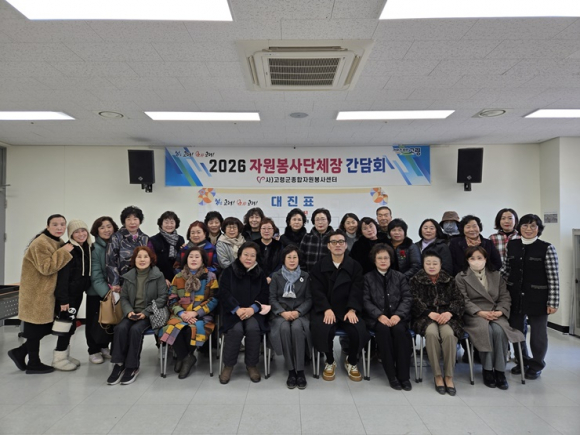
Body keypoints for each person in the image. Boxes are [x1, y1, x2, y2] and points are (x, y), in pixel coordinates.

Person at [8, 215, 74, 375]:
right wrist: (64, 252)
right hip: (36, 294)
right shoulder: (41, 243)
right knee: (35, 330)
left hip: (45, 294)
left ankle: (20, 353)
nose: (59, 227)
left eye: (62, 224)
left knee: (43, 328)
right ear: (47, 226)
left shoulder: (56, 241)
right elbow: (46, 268)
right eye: (55, 224)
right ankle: (33, 363)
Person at [456, 246, 524, 390]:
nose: (476, 261)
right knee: (487, 331)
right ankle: (487, 370)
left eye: (479, 258)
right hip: (474, 315)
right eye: (472, 258)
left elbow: (505, 296)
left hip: (495, 312)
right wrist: (479, 312)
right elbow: (463, 300)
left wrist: (500, 311)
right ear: (467, 260)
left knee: (499, 331)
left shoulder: (496, 275)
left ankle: (500, 371)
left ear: (486, 259)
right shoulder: (461, 277)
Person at [501, 214, 559, 380]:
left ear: (538, 229)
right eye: (525, 226)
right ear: (519, 228)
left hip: (538, 297)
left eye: (533, 226)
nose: (528, 229)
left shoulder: (547, 248)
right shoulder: (512, 245)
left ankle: (536, 365)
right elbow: (506, 270)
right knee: (517, 331)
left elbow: (553, 277)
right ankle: (522, 361)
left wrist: (553, 302)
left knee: (538, 335)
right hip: (514, 295)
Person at [310, 230, 370, 382]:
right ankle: (330, 361)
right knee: (324, 330)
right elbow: (316, 290)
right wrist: (326, 308)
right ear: (328, 246)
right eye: (334, 242)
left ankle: (352, 361)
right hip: (326, 308)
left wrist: (352, 309)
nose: (338, 245)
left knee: (357, 330)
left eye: (341, 242)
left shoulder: (355, 266)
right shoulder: (319, 266)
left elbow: (357, 289)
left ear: (345, 245)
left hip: (347, 309)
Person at [107, 246, 168, 385]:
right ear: (134, 260)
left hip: (149, 313)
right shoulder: (128, 276)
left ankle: (132, 366)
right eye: (139, 257)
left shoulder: (158, 275)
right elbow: (124, 298)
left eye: (145, 256)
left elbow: (162, 297)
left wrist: (145, 312)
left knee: (135, 330)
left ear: (151, 259)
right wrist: (129, 311)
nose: (142, 260)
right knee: (120, 328)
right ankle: (119, 364)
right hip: (132, 312)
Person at [410, 251, 465, 396]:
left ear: (441, 265)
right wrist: (428, 312)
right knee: (431, 333)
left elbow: (459, 300)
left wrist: (449, 313)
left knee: (449, 335)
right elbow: (413, 300)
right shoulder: (415, 280)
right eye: (428, 263)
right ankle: (438, 375)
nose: (431, 266)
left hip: (447, 317)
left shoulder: (449, 280)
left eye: (435, 263)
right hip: (425, 317)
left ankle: (449, 376)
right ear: (423, 264)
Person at [160, 247, 218, 379]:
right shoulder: (178, 277)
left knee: (190, 329)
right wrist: (182, 313)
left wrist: (195, 313)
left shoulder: (210, 276)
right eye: (191, 256)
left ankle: (183, 358)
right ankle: (186, 357)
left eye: (197, 257)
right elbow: (172, 298)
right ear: (186, 259)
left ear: (203, 260)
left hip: (202, 315)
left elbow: (214, 299)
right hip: (180, 314)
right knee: (171, 327)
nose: (193, 259)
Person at [216, 242, 270, 384]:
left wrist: (253, 308)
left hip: (253, 312)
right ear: (239, 255)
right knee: (236, 330)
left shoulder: (259, 273)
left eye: (252, 255)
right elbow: (223, 293)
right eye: (246, 254)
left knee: (253, 329)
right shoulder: (229, 271)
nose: (249, 258)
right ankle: (228, 366)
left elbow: (264, 294)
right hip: (233, 312)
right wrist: (236, 309)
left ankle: (251, 365)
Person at [363, 244, 413, 391]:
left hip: (398, 317)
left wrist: (398, 315)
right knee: (383, 332)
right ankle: (391, 375)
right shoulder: (367, 278)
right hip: (376, 319)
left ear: (391, 260)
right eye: (379, 258)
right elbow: (365, 300)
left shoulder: (400, 277)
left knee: (400, 332)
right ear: (374, 260)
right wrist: (379, 315)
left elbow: (407, 298)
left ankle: (404, 376)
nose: (383, 261)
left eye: (386, 258)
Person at [52, 220, 93, 371]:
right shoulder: (68, 250)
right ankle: (59, 359)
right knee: (64, 326)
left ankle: (65, 356)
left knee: (70, 326)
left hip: (77, 294)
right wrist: (63, 300)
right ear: (71, 234)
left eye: (83, 230)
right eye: (76, 232)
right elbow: (62, 277)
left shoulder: (86, 248)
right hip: (68, 297)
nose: (81, 234)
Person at [269, 245, 312, 389]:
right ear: (284, 259)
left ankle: (300, 371)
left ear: (299, 259)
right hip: (280, 314)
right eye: (289, 257)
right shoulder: (276, 276)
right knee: (285, 329)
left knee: (297, 329)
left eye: (295, 257)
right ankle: (291, 370)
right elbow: (272, 298)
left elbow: (309, 299)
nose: (292, 260)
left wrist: (298, 312)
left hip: (300, 314)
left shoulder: (305, 276)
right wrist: (282, 312)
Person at [86, 216, 119, 364]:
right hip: (98, 292)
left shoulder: (116, 245)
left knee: (109, 321)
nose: (106, 230)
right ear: (96, 231)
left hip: (114, 292)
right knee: (94, 323)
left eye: (109, 226)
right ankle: (93, 350)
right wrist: (108, 294)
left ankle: (104, 346)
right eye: (102, 227)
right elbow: (96, 275)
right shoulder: (94, 248)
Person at [106, 205, 149, 292]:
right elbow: (111, 262)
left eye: (135, 219)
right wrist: (115, 283)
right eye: (128, 219)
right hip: (122, 284)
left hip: (142, 283)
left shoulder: (145, 238)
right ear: (124, 221)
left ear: (140, 221)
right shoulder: (116, 237)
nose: (132, 222)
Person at [148, 211, 184, 285]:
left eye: (172, 222)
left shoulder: (180, 239)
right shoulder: (153, 240)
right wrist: (161, 278)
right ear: (161, 224)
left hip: (178, 277)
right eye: (166, 222)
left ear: (176, 224)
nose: (169, 225)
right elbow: (151, 262)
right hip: (159, 278)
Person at [256, 217, 283, 282]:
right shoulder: (254, 244)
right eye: (264, 228)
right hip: (256, 279)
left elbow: (281, 264)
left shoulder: (279, 245)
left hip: (275, 280)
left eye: (269, 228)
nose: (266, 231)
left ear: (273, 230)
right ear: (260, 230)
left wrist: (271, 277)